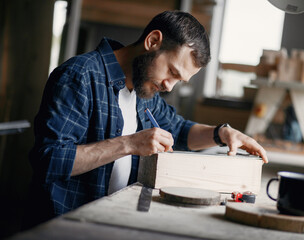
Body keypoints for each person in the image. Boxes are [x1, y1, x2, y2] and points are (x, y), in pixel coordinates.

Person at [24, 10, 268, 228]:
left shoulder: (144, 91)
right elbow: (49, 160)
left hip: (113, 222)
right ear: (153, 41)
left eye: (178, 80)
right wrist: (129, 144)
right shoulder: (80, 75)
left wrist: (222, 134)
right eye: (172, 72)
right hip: (68, 226)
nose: (169, 86)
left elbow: (180, 131)